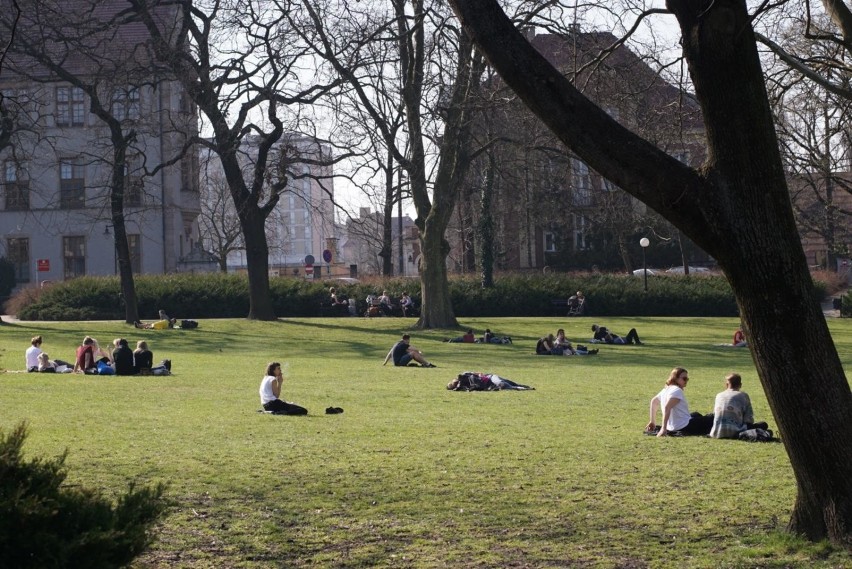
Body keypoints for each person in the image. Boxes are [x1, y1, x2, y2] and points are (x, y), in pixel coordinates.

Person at [646, 367, 714, 437]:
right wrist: (663, 428)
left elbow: (654, 401)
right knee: (712, 417)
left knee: (696, 414)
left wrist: (652, 421)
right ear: (675, 378)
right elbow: (667, 407)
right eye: (684, 379)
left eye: (687, 379)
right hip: (683, 426)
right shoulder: (677, 390)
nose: (686, 381)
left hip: (673, 426)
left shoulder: (666, 389)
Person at [709, 373, 768, 439]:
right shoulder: (743, 395)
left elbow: (715, 414)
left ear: (726, 385)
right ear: (740, 385)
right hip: (736, 431)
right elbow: (748, 419)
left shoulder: (719, 395)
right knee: (763, 424)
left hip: (717, 432)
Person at [447, 371, 534, 391]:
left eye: (455, 383)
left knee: (503, 384)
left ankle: (523, 387)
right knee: (505, 385)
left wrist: (480, 376)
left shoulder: (465, 374)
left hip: (490, 377)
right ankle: (523, 388)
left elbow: (480, 373)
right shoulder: (464, 386)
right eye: (455, 385)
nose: (456, 384)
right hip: (489, 383)